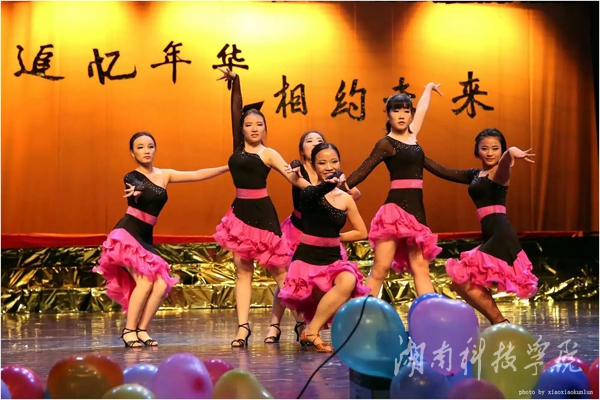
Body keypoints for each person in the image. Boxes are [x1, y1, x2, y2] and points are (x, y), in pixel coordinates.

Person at [94, 132, 229, 347]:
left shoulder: (165, 175)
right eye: (140, 147)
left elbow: (197, 174)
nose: (146, 151)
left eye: (150, 146)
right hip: (128, 233)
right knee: (145, 281)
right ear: (132, 153)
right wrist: (138, 190)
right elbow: (134, 185)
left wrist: (228, 167)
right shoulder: (132, 177)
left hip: (146, 236)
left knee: (161, 283)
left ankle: (142, 330)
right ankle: (129, 331)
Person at [212, 68, 311, 347]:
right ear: (241, 128)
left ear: (265, 128)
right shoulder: (238, 148)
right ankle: (243, 328)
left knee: (280, 273)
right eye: (249, 124)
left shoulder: (269, 153)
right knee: (243, 272)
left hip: (263, 215)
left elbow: (293, 178)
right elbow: (236, 109)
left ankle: (303, 324)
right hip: (240, 215)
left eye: (259, 124)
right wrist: (236, 82)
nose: (254, 128)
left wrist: (319, 190)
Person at [423, 128, 539, 324]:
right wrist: (416, 153)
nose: (490, 153)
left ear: (501, 150)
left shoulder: (500, 173)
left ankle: (499, 322)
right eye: (485, 148)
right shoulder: (476, 175)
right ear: (477, 150)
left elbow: (505, 162)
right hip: (491, 233)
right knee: (460, 283)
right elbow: (442, 171)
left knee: (463, 279)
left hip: (501, 233)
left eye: (496, 148)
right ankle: (499, 322)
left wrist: (511, 152)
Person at [344, 83, 442, 298]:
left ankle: (429, 311)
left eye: (406, 111)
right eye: (396, 110)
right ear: (388, 115)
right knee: (380, 268)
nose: (402, 115)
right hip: (395, 212)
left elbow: (422, 110)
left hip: (416, 211)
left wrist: (428, 88)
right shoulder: (386, 143)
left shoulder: (413, 136)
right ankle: (363, 310)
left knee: (421, 268)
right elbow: (363, 169)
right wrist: (339, 186)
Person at [265, 131, 362, 344]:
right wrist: (329, 182)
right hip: (299, 233)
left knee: (337, 283)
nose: (315, 144)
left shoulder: (334, 177)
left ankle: (310, 328)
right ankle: (276, 325)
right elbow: (307, 189)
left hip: (325, 238)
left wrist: (344, 189)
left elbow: (355, 196)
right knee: (290, 284)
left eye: (319, 141)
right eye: (310, 141)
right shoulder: (298, 170)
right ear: (303, 150)